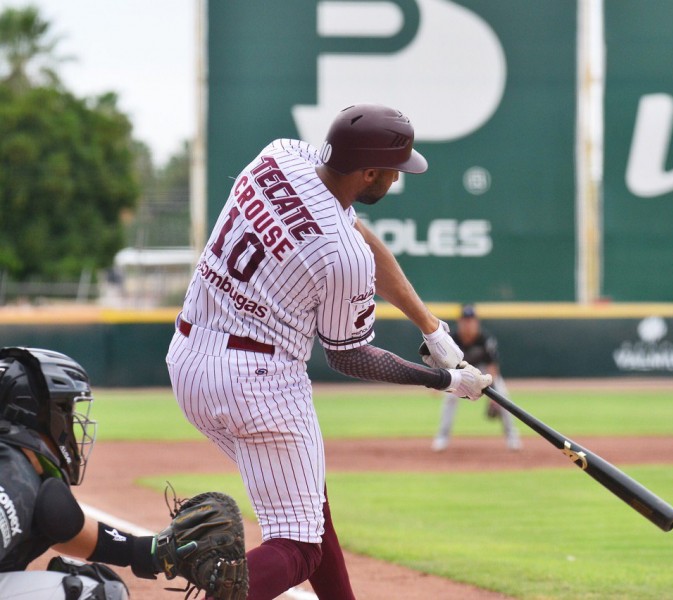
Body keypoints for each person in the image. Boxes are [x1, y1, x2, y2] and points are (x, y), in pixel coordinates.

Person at [166, 103, 493, 599]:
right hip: (259, 383)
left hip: (190, 359)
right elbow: (348, 355)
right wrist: (444, 381)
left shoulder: (282, 155)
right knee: (299, 548)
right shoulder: (340, 255)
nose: (396, 179)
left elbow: (358, 236)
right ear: (367, 173)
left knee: (310, 506)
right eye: (392, 171)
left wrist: (430, 328)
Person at [0, 346, 164, 599]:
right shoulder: (11, 477)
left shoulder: (17, 471)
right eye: (67, 410)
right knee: (95, 593)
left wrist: (145, 551)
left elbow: (59, 524)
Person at [432, 304, 521, 452]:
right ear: (459, 322)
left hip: (483, 371)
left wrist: (493, 396)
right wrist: (438, 383)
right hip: (459, 370)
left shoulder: (485, 339)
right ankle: (442, 437)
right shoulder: (452, 338)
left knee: (503, 396)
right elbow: (444, 362)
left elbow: (492, 368)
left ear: (476, 322)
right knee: (450, 398)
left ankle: (512, 436)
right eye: (465, 320)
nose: (468, 324)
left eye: (471, 320)